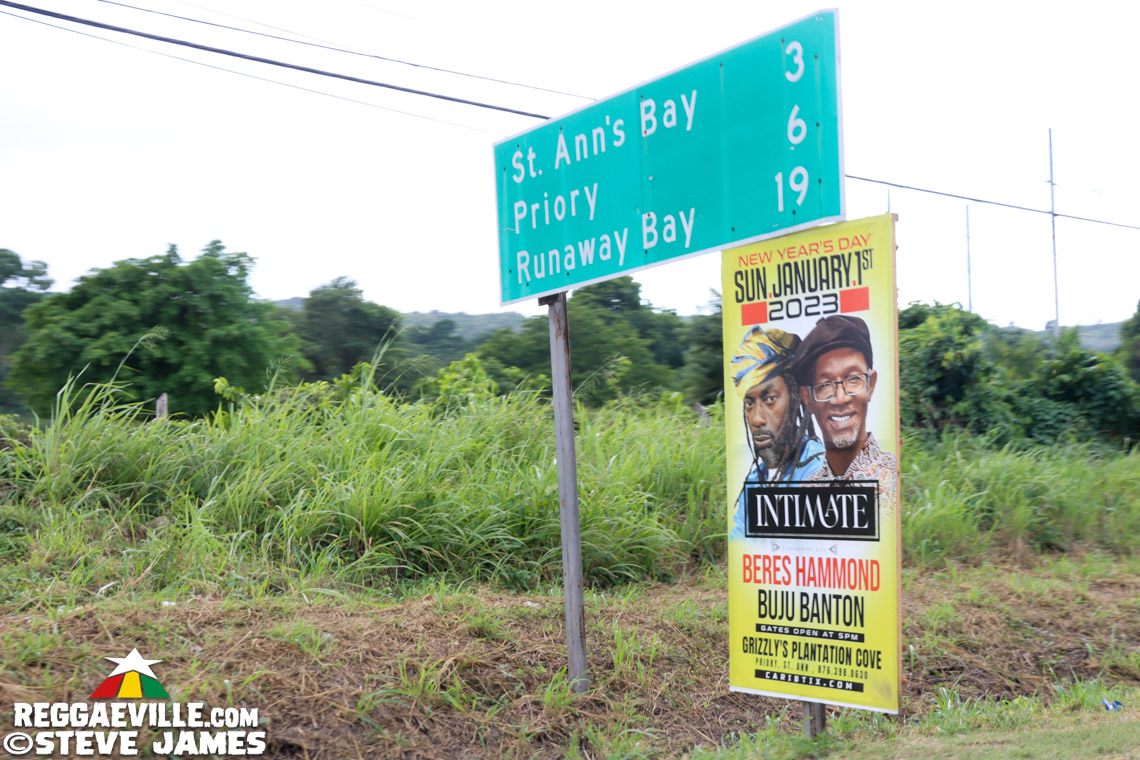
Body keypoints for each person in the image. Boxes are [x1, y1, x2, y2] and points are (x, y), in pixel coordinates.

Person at [729, 326, 825, 539]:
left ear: (796, 397)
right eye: (749, 403)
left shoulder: (818, 471)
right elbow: (739, 543)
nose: (757, 419)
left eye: (770, 399)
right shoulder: (756, 479)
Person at [791, 315, 897, 496]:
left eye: (853, 379)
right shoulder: (807, 492)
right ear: (808, 399)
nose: (840, 399)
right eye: (824, 385)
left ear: (870, 385)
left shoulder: (895, 480)